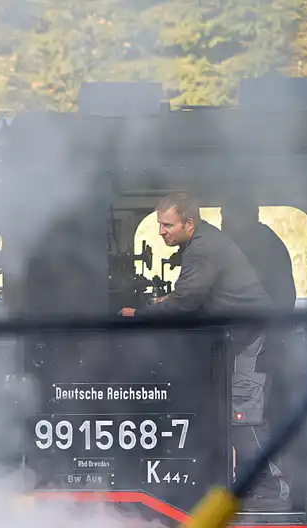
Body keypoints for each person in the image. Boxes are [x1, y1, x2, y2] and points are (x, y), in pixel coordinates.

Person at [119, 192, 292, 511]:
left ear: (189, 223)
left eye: (167, 225)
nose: (161, 231)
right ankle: (240, 483)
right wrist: (166, 301)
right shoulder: (204, 242)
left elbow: (185, 303)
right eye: (159, 224)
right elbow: (191, 295)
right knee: (235, 413)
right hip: (243, 337)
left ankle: (272, 489)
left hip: (253, 338)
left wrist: (138, 315)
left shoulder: (202, 248)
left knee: (244, 416)